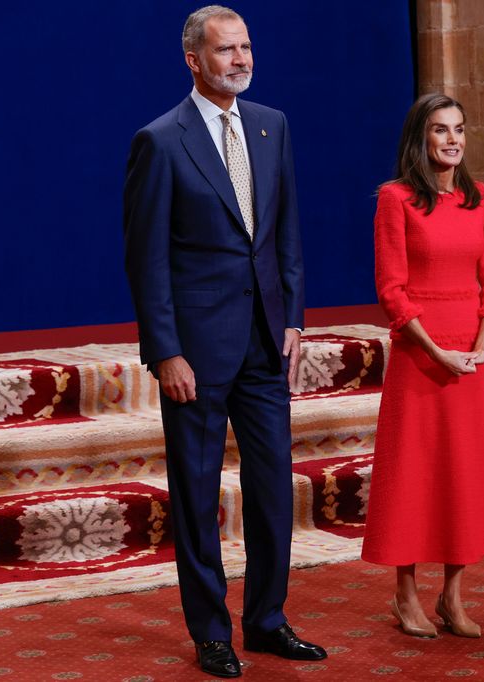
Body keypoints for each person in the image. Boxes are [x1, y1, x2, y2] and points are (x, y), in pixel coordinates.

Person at [122, 5, 325, 677]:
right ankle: (211, 631)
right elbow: (146, 259)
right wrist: (166, 351)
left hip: (267, 343)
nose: (241, 59)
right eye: (226, 50)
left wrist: (293, 316)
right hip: (196, 355)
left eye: (245, 48)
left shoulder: (274, 125)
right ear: (194, 60)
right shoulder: (161, 140)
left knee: (272, 493)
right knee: (198, 496)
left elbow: (285, 233)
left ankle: (267, 621)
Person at [361, 93, 484, 639]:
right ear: (420, 138)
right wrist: (438, 352)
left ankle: (452, 596)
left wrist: (479, 350)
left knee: (465, 476)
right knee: (414, 474)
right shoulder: (396, 198)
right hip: (421, 356)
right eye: (439, 130)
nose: (452, 139)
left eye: (458, 129)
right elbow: (392, 290)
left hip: (469, 359)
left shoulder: (478, 196)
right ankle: (404, 592)